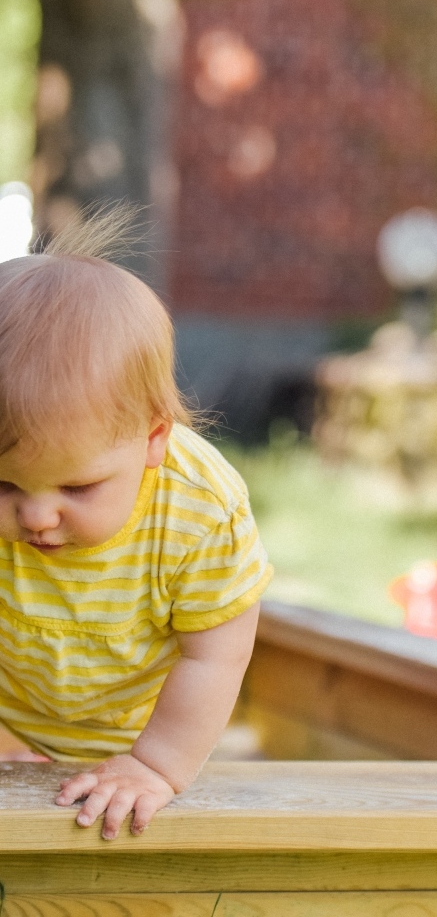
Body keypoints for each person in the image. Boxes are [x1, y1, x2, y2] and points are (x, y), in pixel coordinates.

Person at [0, 209, 272, 838]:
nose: (37, 515)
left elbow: (216, 656)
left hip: (144, 727)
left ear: (153, 439)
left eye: (78, 486)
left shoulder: (199, 509)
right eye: (5, 484)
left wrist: (155, 765)